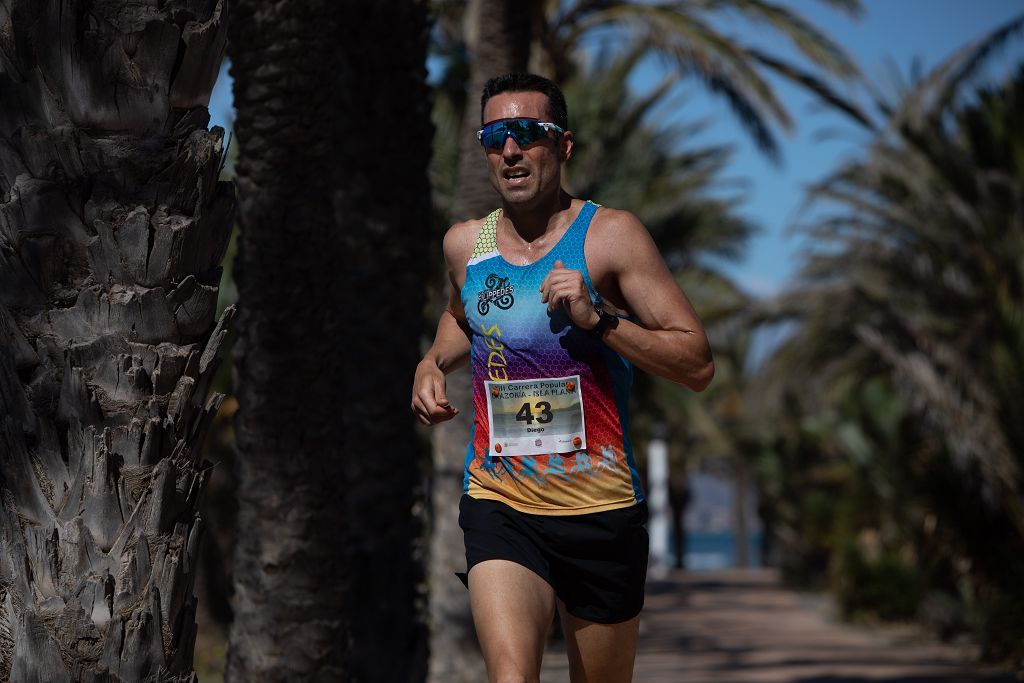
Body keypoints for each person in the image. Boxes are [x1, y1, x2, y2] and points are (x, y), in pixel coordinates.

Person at [411, 72, 713, 683]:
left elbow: (696, 363)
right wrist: (431, 362)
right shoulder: (468, 245)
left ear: (564, 146)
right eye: (495, 136)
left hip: (600, 510)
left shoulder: (611, 237)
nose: (511, 150)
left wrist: (600, 321)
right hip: (502, 502)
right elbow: (459, 315)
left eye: (528, 132)